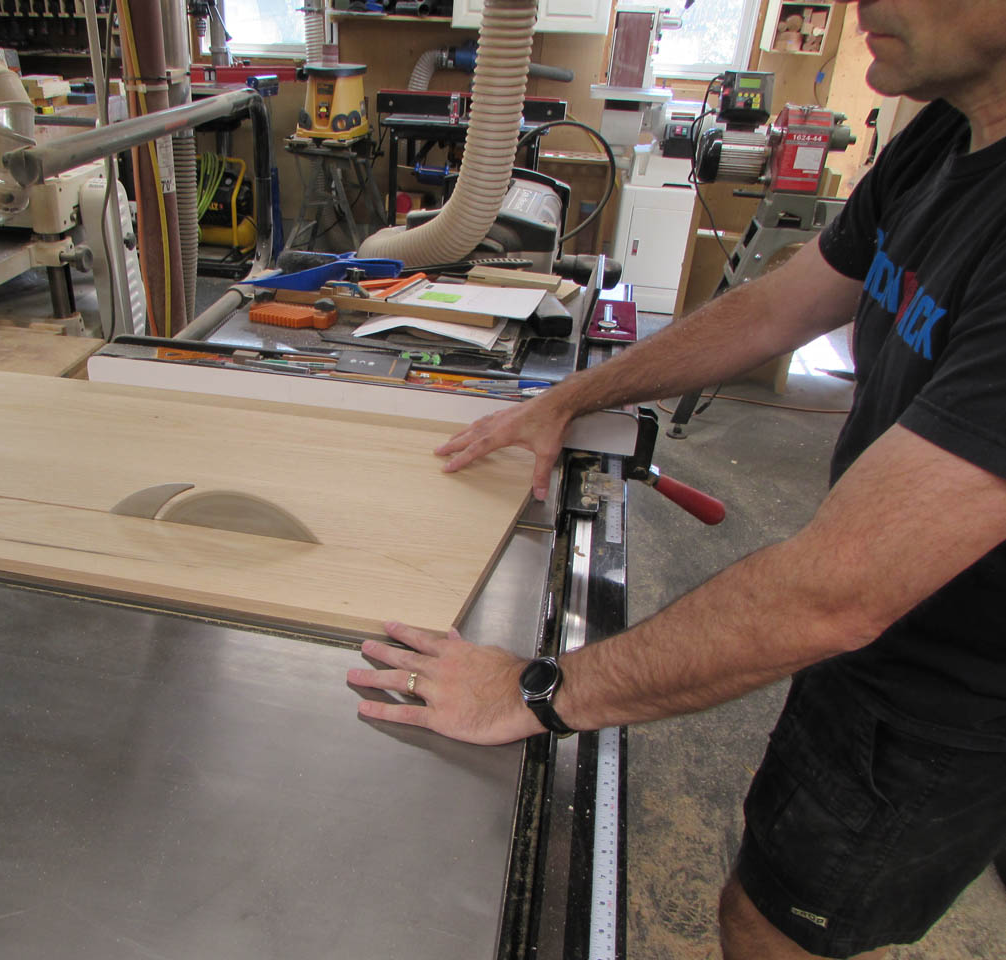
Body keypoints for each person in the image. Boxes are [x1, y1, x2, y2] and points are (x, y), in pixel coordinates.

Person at [346, 2, 1006, 958]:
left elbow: (837, 590)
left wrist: (533, 690)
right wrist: (575, 393)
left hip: (951, 684)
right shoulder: (944, 134)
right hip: (898, 628)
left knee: (772, 923)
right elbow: (774, 308)